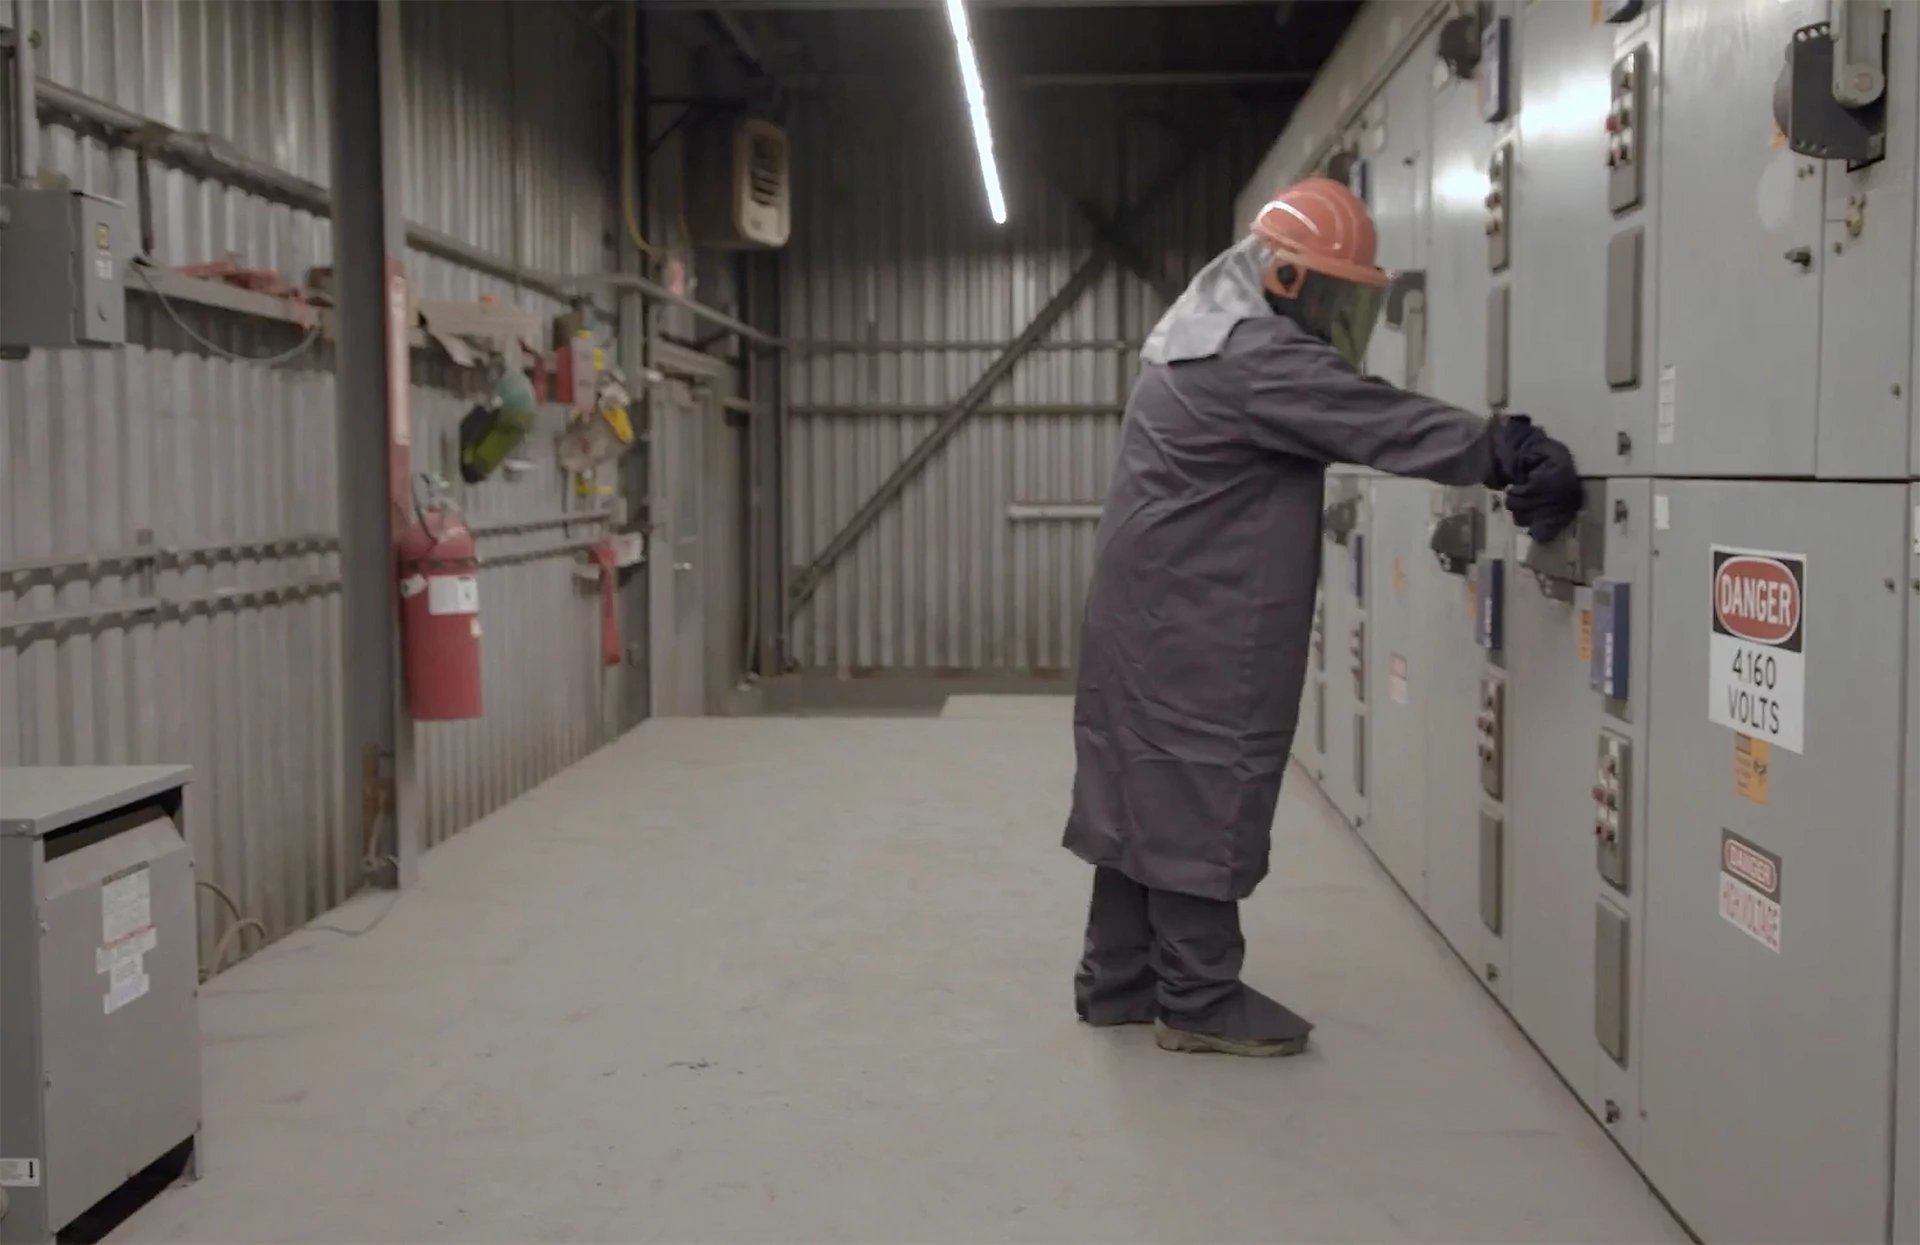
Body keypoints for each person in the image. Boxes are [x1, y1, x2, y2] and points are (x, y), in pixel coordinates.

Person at [1063, 177, 1583, 1057]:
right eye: (1334, 291)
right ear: (1286, 279)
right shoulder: (1255, 358)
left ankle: (1117, 976)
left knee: (1141, 781)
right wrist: (1506, 449)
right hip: (1197, 618)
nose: (1338, 314)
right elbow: (1377, 418)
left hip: (1144, 615)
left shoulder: (1188, 341)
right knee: (1200, 780)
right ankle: (1195, 994)